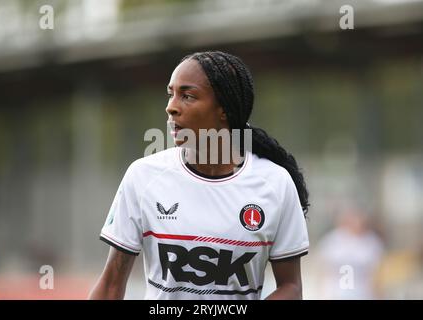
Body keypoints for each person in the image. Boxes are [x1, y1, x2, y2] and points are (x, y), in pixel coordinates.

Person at [88, 51, 310, 300]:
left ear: (224, 109)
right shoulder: (143, 177)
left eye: (188, 96)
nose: (171, 107)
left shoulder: (275, 184)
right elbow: (110, 285)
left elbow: (291, 287)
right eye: (171, 94)